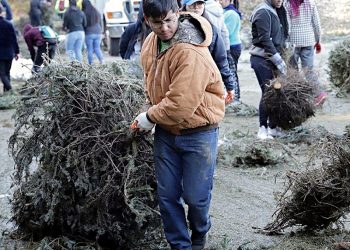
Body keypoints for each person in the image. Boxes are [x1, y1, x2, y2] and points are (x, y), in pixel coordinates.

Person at [130, 0, 225, 249]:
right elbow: (151, 80)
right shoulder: (151, 42)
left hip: (199, 132)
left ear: (178, 13)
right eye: (157, 23)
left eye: (169, 20)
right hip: (166, 131)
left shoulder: (189, 49)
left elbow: (181, 104)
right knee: (168, 195)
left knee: (195, 197)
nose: (164, 28)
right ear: (146, 20)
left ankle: (199, 234)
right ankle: (179, 246)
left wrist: (149, 117)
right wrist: (148, 109)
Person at [182, 0, 235, 104]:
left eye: (199, 3)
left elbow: (221, 59)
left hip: (204, 80)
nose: (196, 7)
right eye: (192, 4)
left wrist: (229, 85)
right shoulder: (173, 26)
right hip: (181, 78)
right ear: (185, 5)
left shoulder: (211, 29)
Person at [249, 0, 289, 139]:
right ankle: (262, 128)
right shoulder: (263, 11)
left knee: (276, 91)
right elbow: (265, 39)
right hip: (261, 59)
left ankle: (272, 127)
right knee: (267, 92)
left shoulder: (276, 9)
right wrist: (279, 61)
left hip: (273, 58)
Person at [285, 0, 327, 106]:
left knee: (292, 71)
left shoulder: (287, 4)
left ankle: (298, 97)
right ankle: (319, 94)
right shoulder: (310, 3)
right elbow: (316, 24)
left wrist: (287, 40)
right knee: (308, 70)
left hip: (293, 42)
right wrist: (318, 40)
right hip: (308, 40)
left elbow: (287, 25)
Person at [219, 0, 242, 103]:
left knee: (231, 72)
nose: (220, 1)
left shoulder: (231, 14)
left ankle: (235, 97)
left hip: (232, 47)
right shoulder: (224, 11)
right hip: (229, 46)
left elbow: (227, 32)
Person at [0, 5, 19, 94]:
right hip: (9, 52)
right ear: (2, 13)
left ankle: (10, 89)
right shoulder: (8, 24)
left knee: (2, 73)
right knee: (7, 72)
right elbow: (14, 39)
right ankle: (7, 92)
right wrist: (17, 51)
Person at [82, 0, 103, 64]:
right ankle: (102, 61)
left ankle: (91, 63)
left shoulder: (84, 13)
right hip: (98, 32)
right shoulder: (96, 11)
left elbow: (84, 24)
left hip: (89, 33)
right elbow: (100, 22)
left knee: (90, 49)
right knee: (97, 48)